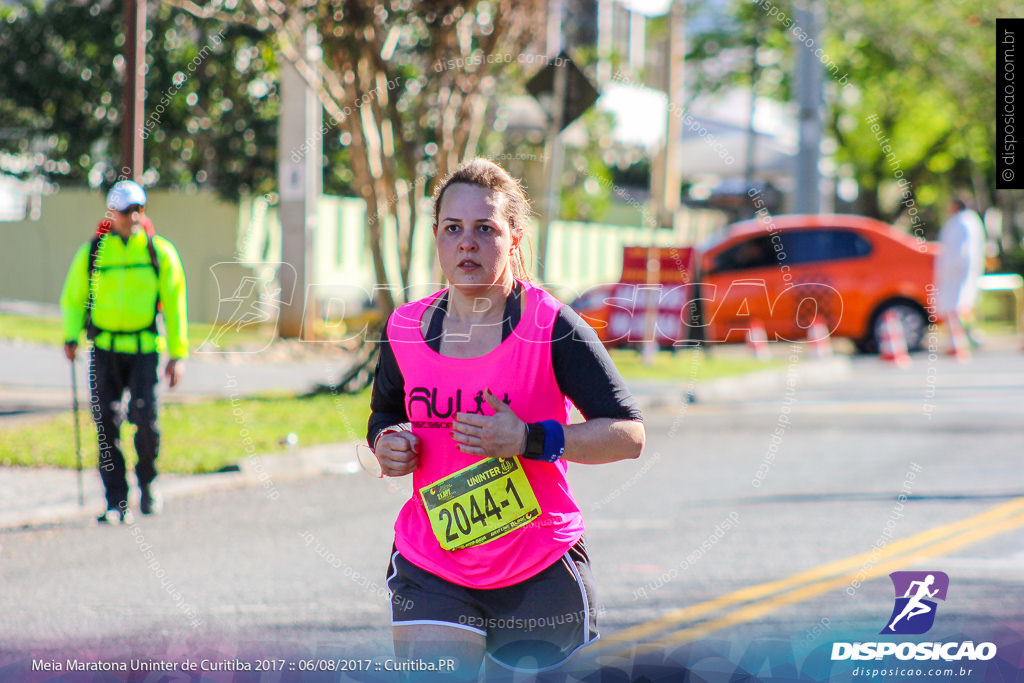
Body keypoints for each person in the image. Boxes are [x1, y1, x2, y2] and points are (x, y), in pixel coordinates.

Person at [367, 158, 646, 679]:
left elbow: (628, 435)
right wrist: (388, 442)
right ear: (437, 237)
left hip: (536, 565)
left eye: (484, 229)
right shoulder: (405, 328)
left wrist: (528, 438)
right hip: (434, 562)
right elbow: (384, 414)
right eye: (453, 229)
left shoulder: (551, 325)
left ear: (514, 238)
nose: (466, 243)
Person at [60, 180, 189, 524]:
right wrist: (71, 336)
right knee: (106, 424)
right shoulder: (94, 252)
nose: (133, 216)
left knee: (145, 419)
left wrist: (178, 355)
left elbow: (175, 306)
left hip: (145, 349)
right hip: (104, 350)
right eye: (126, 210)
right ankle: (115, 501)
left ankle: (149, 484)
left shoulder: (158, 253)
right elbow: (74, 298)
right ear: (112, 214)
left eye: (139, 209)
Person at [935, 197, 985, 358]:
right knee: (963, 303)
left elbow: (959, 250)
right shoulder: (970, 221)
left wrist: (949, 269)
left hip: (957, 270)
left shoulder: (961, 222)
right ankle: (965, 337)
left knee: (956, 306)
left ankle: (962, 339)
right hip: (964, 269)